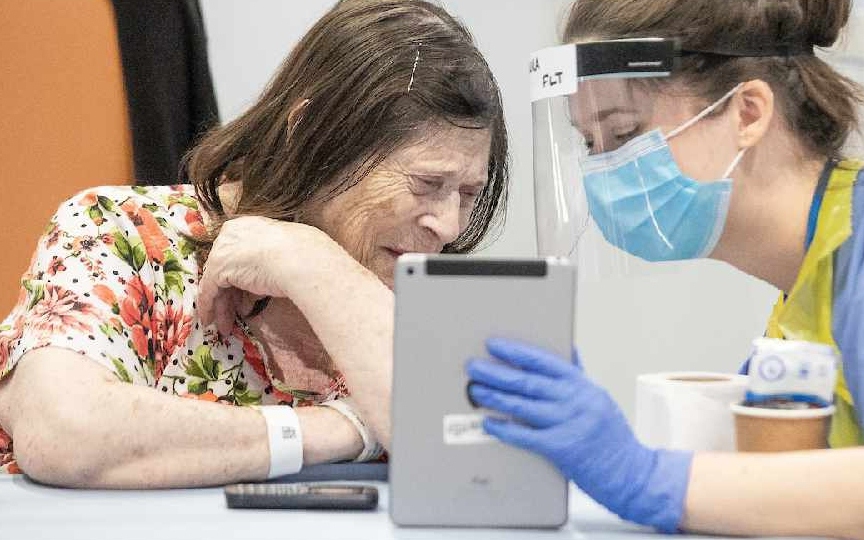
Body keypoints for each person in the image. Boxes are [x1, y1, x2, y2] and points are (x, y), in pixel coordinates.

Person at [467, 1, 864, 539]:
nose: (603, 170)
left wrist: (645, 476)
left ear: (748, 112)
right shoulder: (806, 293)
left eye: (625, 133)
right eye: (590, 144)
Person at [0, 0, 508, 488]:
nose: (447, 225)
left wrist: (316, 267)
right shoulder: (123, 233)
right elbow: (63, 432)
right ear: (311, 133)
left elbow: (478, 468)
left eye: (467, 194)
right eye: (425, 184)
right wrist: (339, 429)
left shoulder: (422, 286)